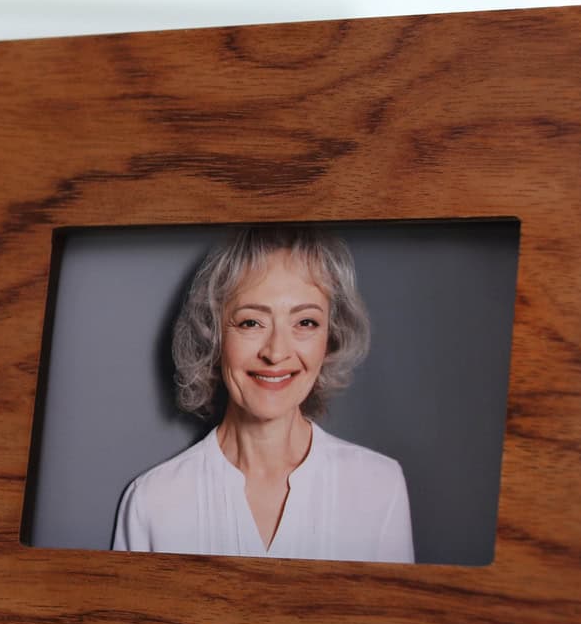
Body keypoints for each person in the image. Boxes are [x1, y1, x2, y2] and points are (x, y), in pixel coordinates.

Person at [111, 225, 414, 562]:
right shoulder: (152, 501)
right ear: (214, 335)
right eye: (251, 323)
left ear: (331, 336)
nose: (276, 352)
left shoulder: (380, 488)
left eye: (305, 323)